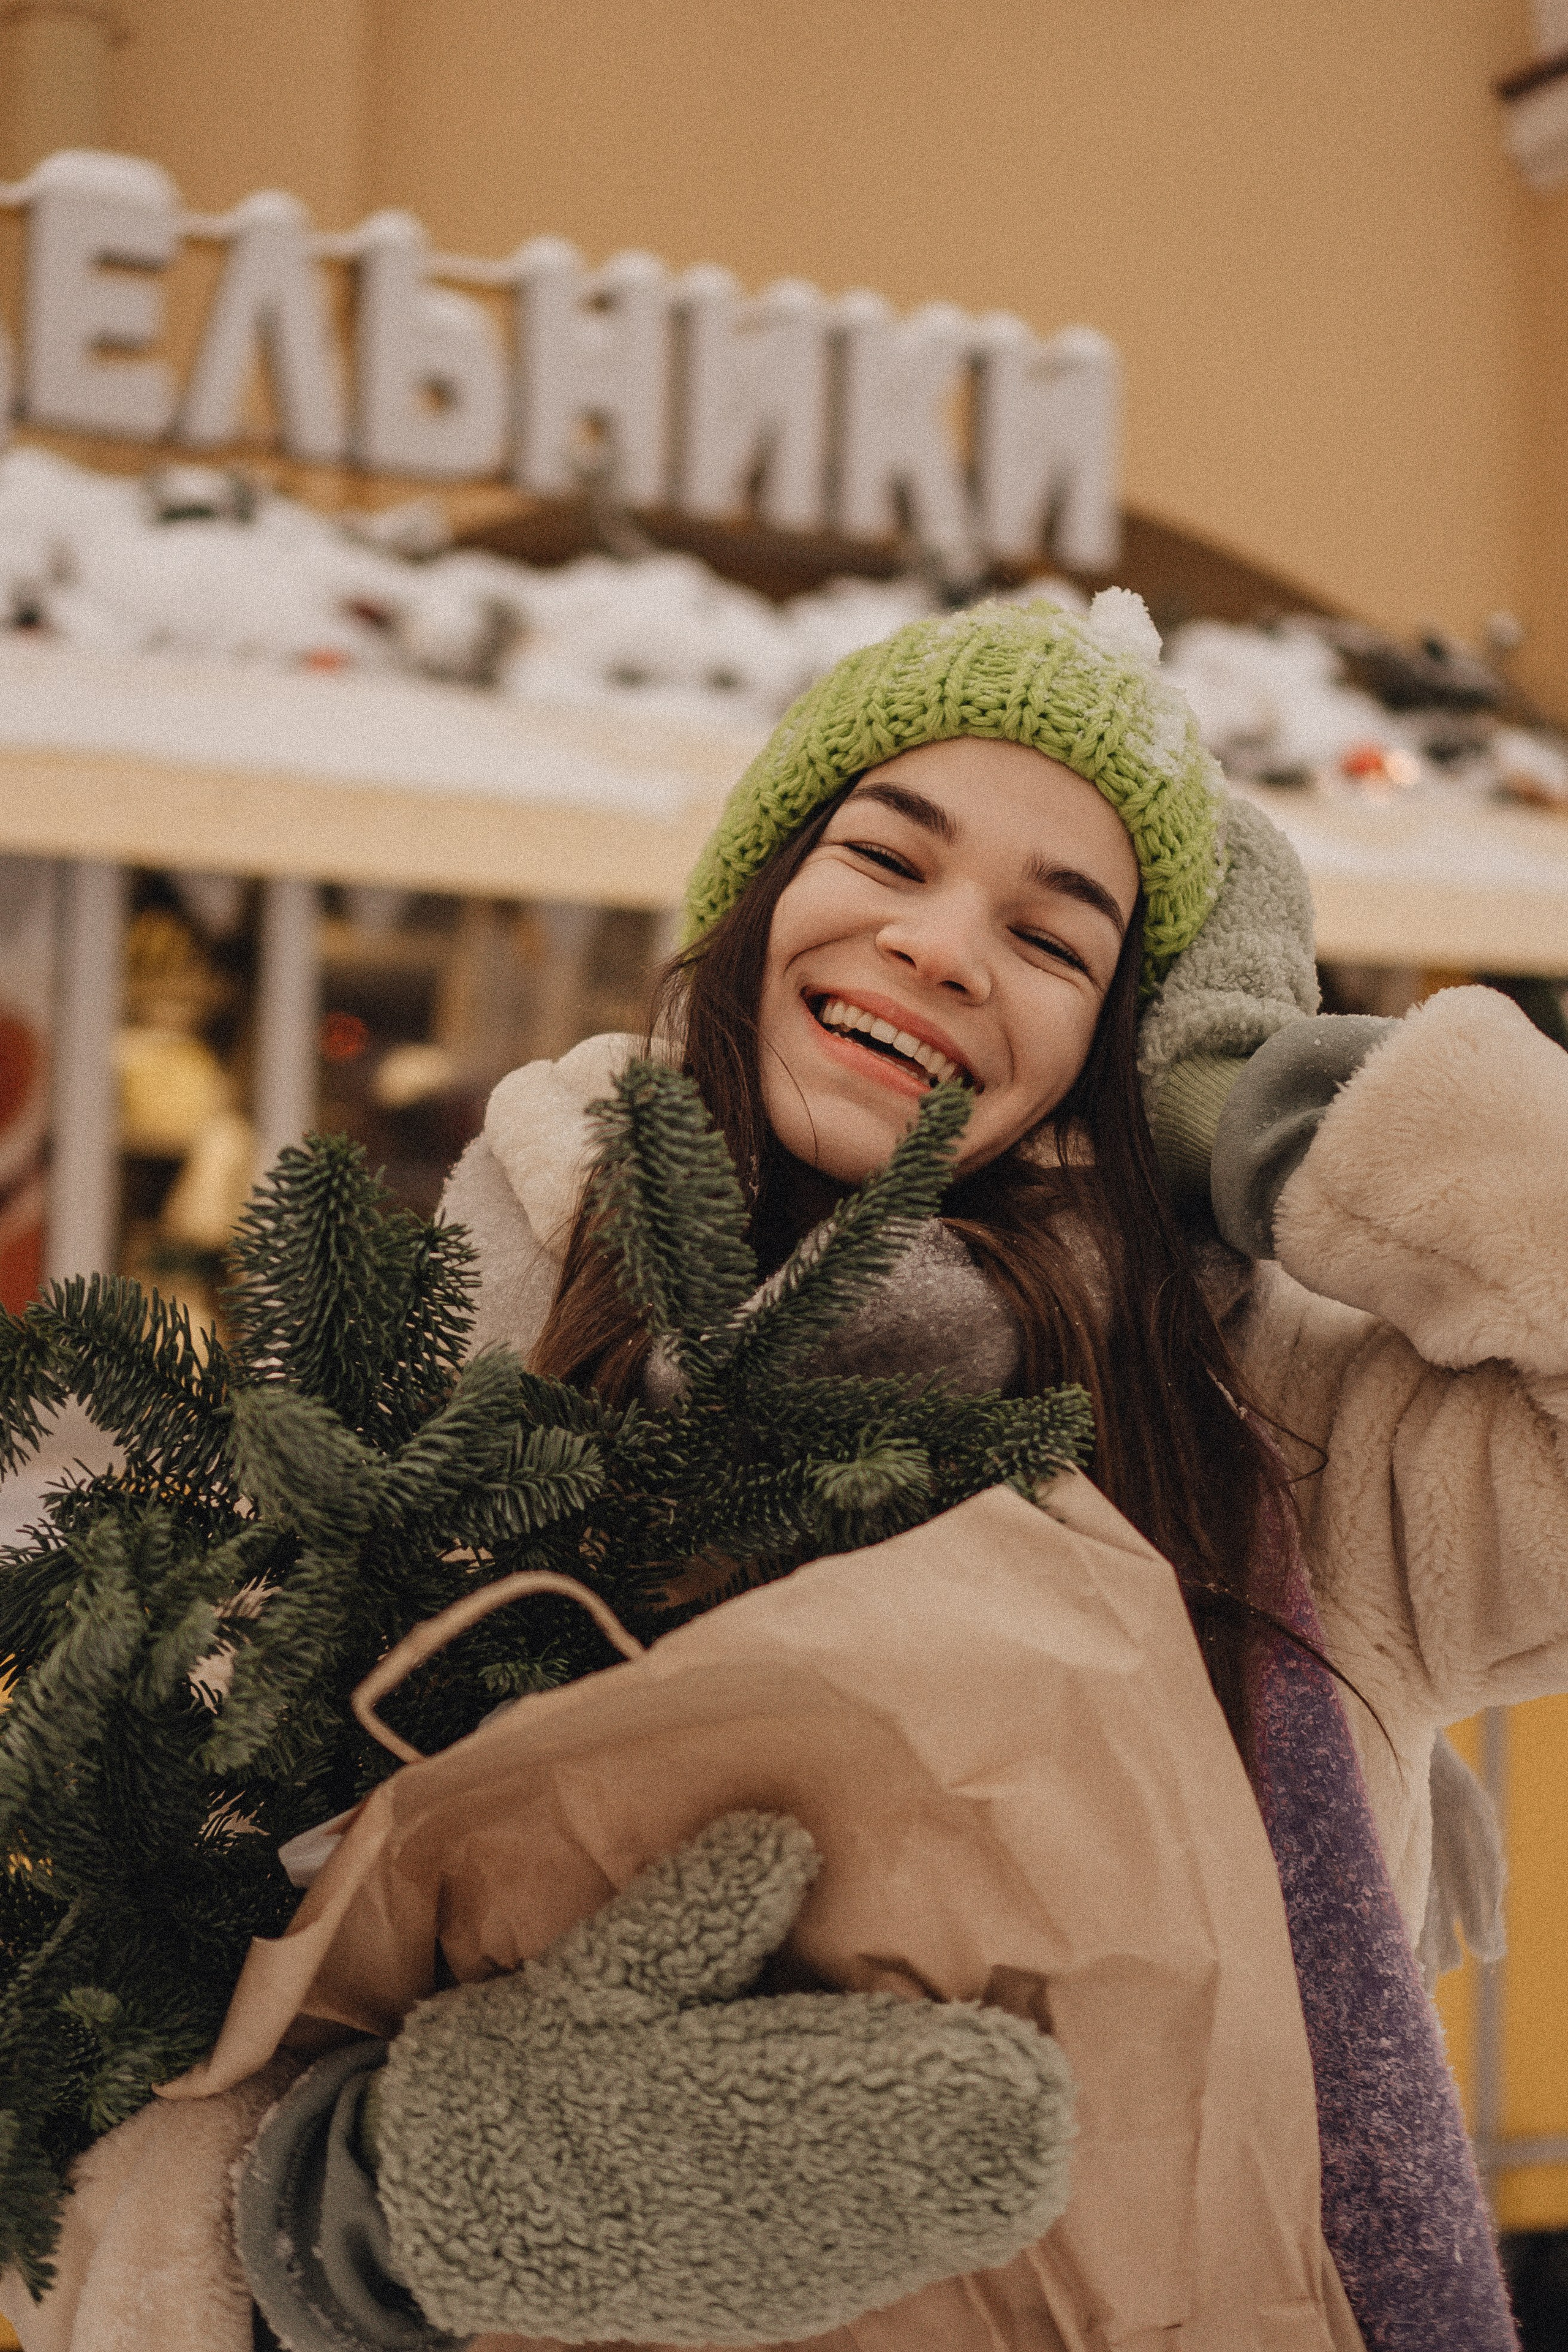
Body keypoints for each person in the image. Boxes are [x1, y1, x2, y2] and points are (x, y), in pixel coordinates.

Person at [67, 593, 1568, 2351]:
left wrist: (1284, 1122)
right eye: (889, 857)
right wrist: (377, 2209)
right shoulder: (458, 1382)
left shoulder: (1276, 1433)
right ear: (762, 896)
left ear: (1125, 1046)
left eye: (1057, 939)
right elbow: (118, 2046)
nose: (939, 949)